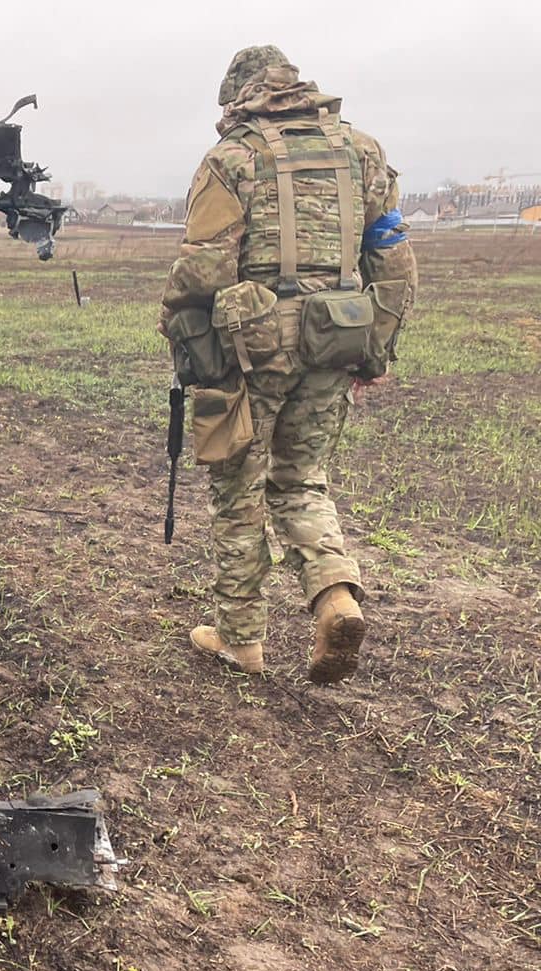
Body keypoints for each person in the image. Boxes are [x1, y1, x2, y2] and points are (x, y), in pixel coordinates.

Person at [161, 45, 417, 685]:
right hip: (338, 340)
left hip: (253, 352)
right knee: (302, 479)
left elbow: (204, 268)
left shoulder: (231, 159)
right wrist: (376, 348)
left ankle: (240, 639)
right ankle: (335, 596)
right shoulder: (364, 152)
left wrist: (179, 331)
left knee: (238, 487)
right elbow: (391, 259)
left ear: (239, 96)